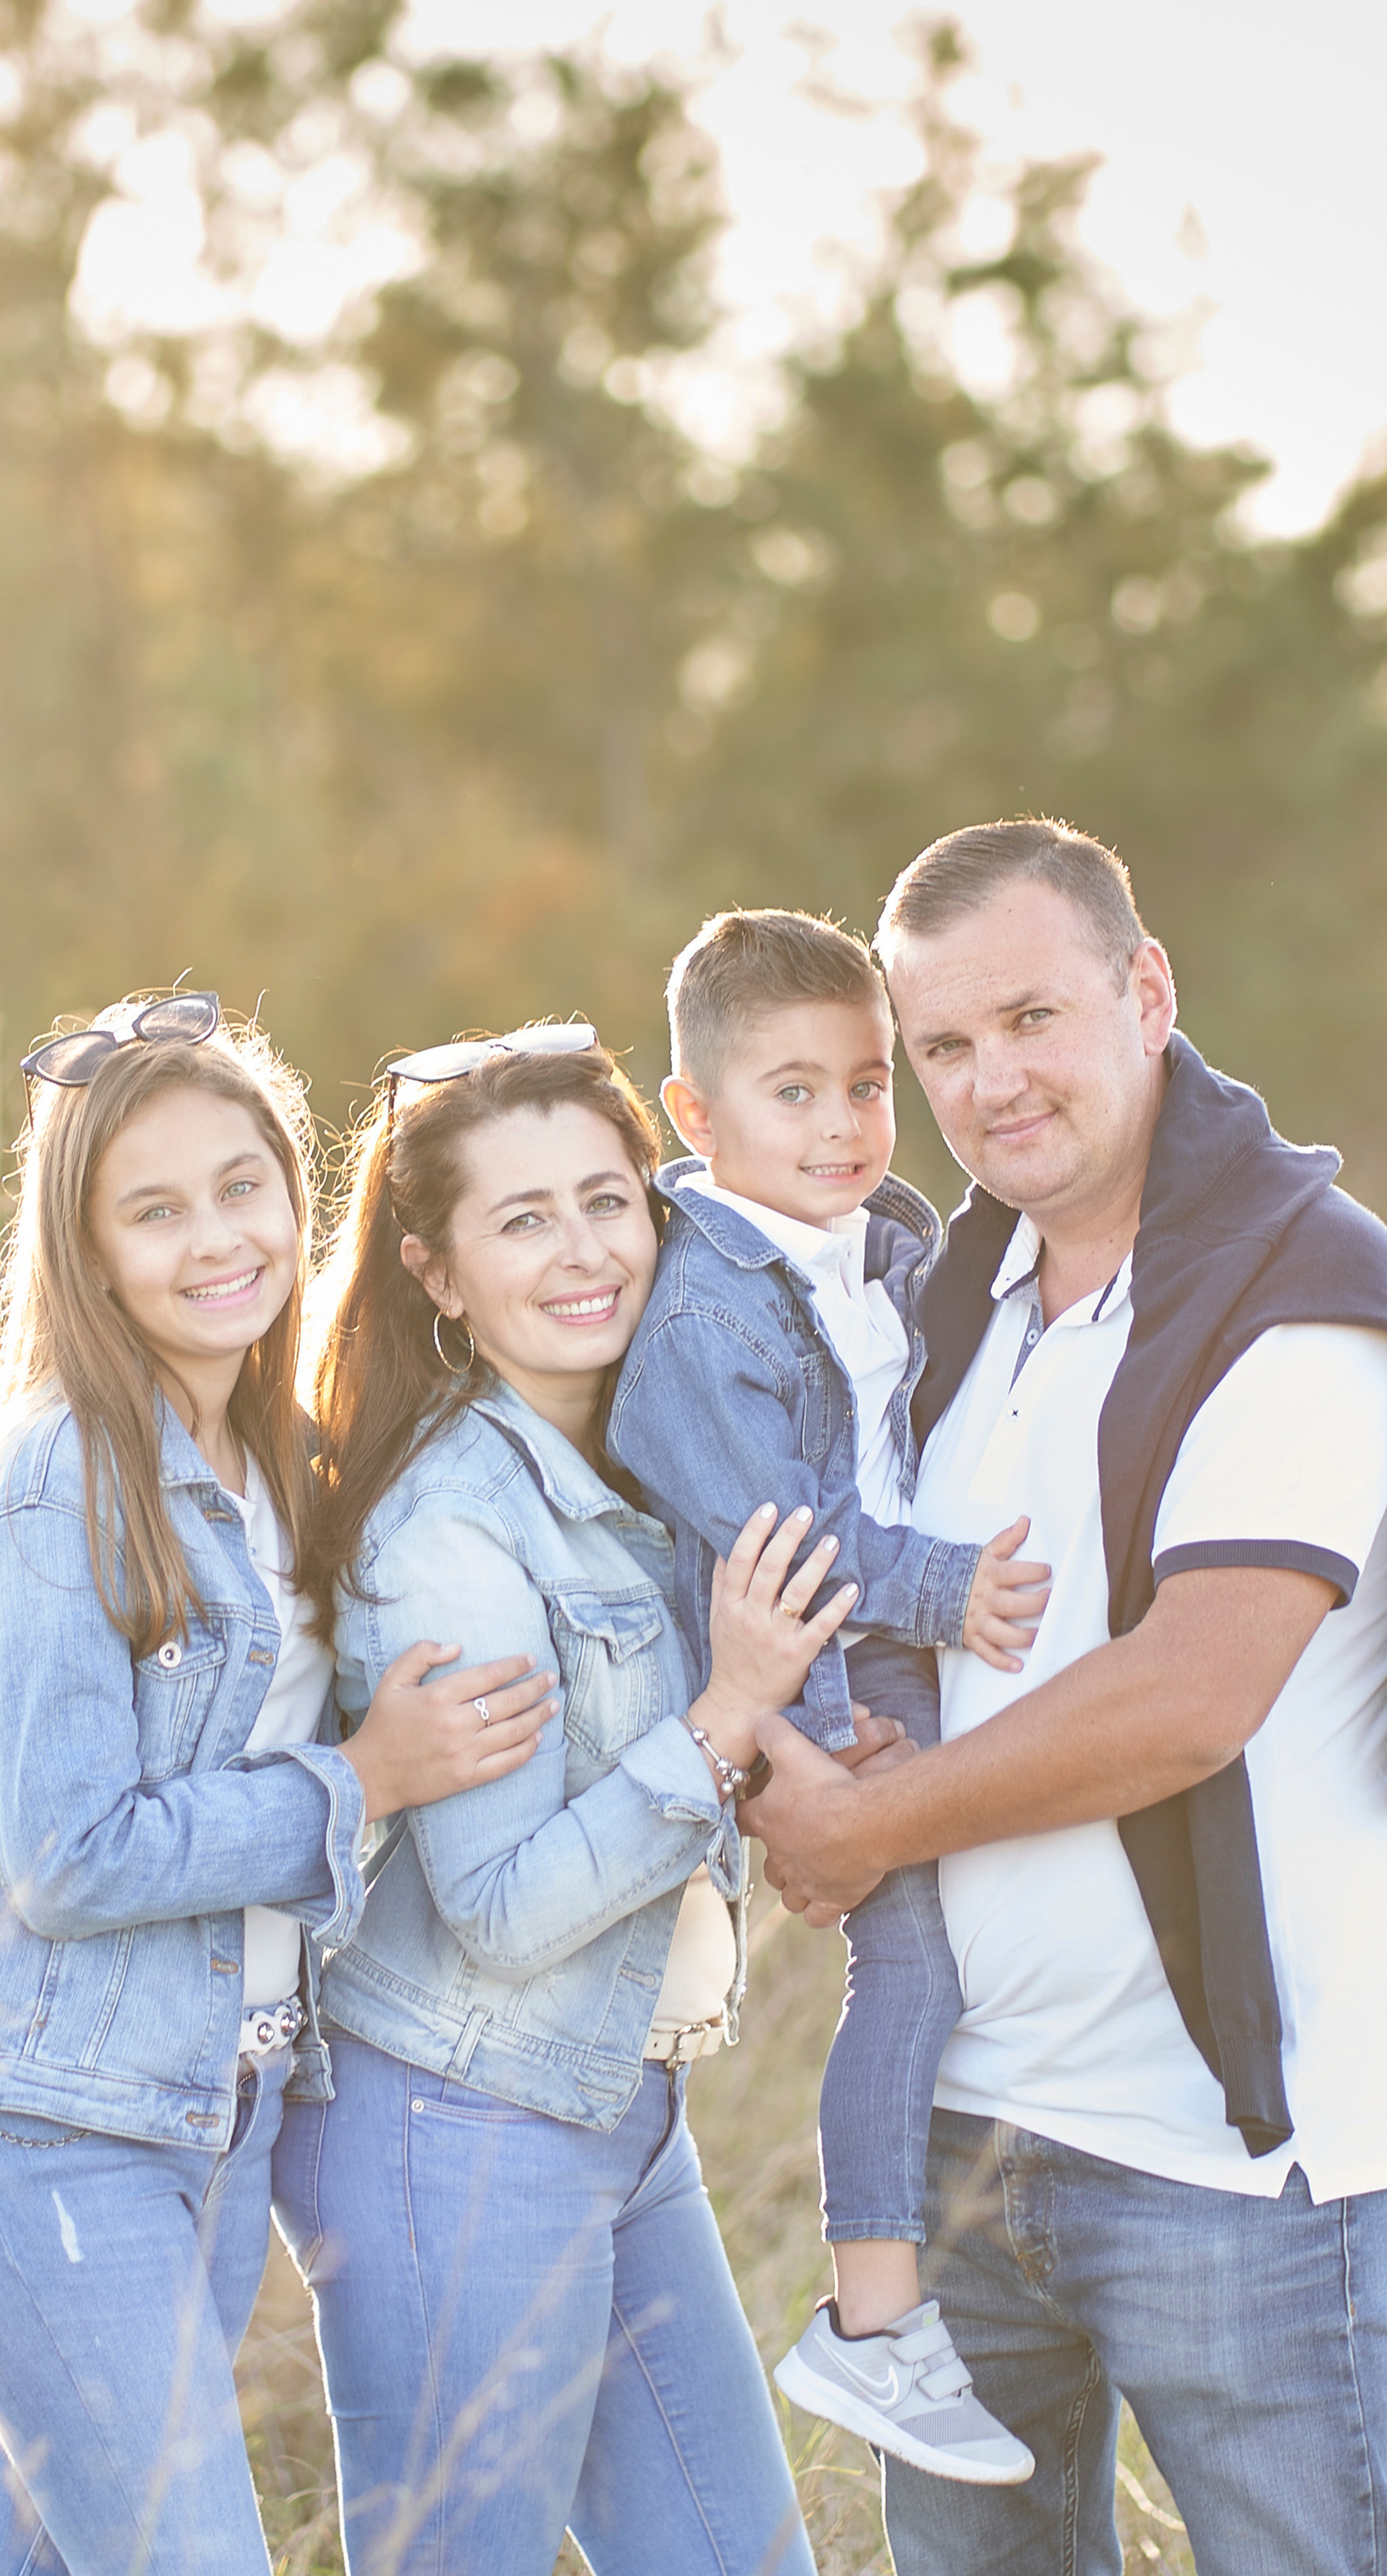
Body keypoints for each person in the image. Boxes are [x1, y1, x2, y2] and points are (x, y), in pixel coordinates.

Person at [744, 821, 1387, 2576]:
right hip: (962, 2151)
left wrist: (864, 1826)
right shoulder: (951, 1306)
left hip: (1238, 2176)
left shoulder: (1306, 1293)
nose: (993, 1081)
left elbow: (1190, 1694)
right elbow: (879, 1624)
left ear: (1148, 991)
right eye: (944, 1048)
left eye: (1031, 1017)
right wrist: (797, 1770)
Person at [0, 992, 555, 2576]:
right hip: (37, 2125)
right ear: (88, 1252)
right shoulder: (63, 1483)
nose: (216, 1240)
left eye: (243, 1186)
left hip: (210, 2115)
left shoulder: (271, 1467)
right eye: (154, 1211)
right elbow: (68, 1855)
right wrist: (358, 1783)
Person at [277, 1024, 848, 2576]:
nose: (586, 1252)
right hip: (449, 2127)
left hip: (610, 2106)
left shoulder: (654, 1461)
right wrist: (727, 1711)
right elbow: (507, 1905)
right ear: (435, 1274)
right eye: (522, 1220)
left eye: (609, 1200)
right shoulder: (450, 1527)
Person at [608, 905, 1047, 2485]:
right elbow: (778, 1538)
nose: (843, 1125)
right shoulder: (704, 1312)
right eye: (790, 1092)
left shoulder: (894, 1242)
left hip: (887, 1660)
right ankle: (871, 2319)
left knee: (977, 1946)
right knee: (911, 1965)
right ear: (695, 1115)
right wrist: (944, 1594)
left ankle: (956, 2273)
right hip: (807, 1668)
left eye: (865, 1084)